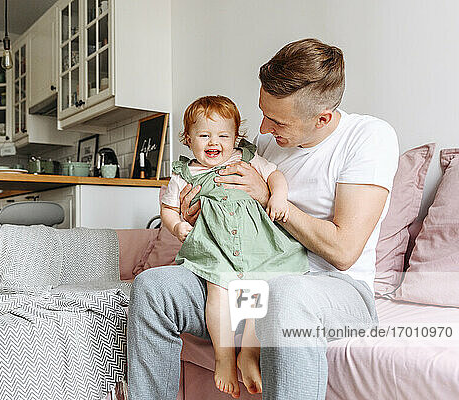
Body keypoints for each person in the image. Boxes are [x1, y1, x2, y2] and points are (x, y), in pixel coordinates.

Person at [127, 38, 399, 400]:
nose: (264, 129)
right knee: (153, 288)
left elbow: (344, 250)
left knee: (284, 293)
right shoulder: (266, 144)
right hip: (247, 278)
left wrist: (269, 196)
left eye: (278, 120)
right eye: (263, 113)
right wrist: (195, 214)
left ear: (323, 119)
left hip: (335, 290)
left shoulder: (367, 138)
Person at [160, 95, 307, 397]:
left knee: (259, 288)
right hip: (214, 247)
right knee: (219, 292)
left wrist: (278, 197)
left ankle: (249, 352)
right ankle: (224, 355)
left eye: (223, 135)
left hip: (255, 244)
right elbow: (168, 208)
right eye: (204, 135)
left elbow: (275, 176)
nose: (214, 142)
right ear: (188, 139)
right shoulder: (183, 175)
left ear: (236, 137)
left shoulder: (246, 160)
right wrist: (178, 226)